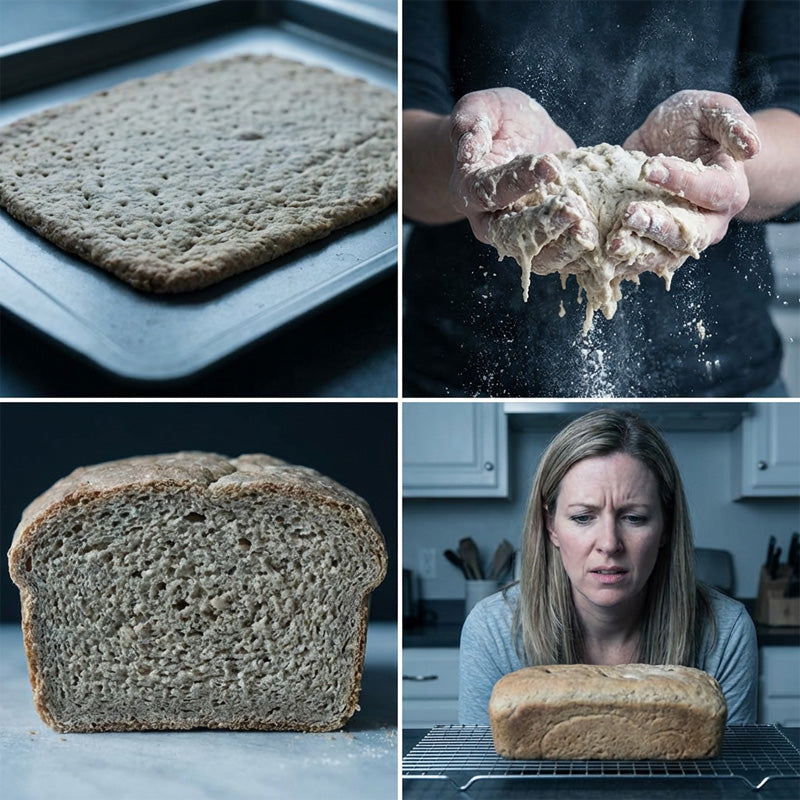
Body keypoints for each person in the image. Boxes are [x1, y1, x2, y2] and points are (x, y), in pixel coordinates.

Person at [403, 1, 800, 397]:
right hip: (463, 366)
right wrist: (469, 159)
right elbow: (399, 141)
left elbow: (792, 111)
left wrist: (728, 167)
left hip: (721, 369)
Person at [458, 409, 757, 725]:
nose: (610, 543)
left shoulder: (724, 633)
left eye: (634, 518)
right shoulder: (493, 631)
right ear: (551, 527)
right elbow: (482, 770)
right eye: (583, 518)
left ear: (666, 527)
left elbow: (728, 772)